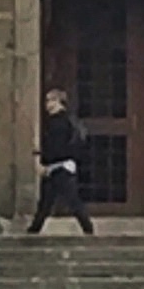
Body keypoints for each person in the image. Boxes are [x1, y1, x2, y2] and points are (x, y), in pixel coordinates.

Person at [28, 90, 96, 236]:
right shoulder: (66, 121)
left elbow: (55, 147)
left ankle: (88, 228)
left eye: (50, 100)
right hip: (60, 167)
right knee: (47, 202)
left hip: (59, 167)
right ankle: (33, 230)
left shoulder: (58, 123)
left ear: (58, 101)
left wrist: (43, 161)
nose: (47, 104)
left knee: (70, 200)